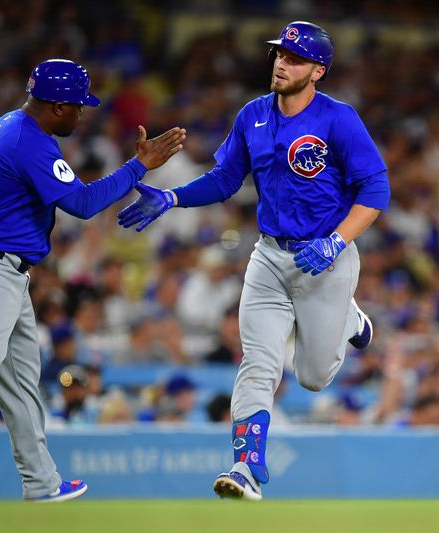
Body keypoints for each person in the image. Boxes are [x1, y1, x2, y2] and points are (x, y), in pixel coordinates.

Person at [118, 21, 390, 501]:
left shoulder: (338, 119)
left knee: (313, 376)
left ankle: (348, 314)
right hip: (269, 256)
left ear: (318, 71)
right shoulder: (252, 115)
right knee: (259, 363)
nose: (282, 63)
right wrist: (172, 198)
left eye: (295, 58)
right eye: (280, 55)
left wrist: (336, 242)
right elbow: (225, 179)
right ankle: (246, 467)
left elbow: (376, 191)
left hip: (326, 258)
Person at [0, 58, 185, 502]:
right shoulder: (29, 141)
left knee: (21, 380)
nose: (82, 113)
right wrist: (137, 167)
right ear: (54, 106)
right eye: (76, 106)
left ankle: (42, 483)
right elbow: (84, 205)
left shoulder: (5, 125)